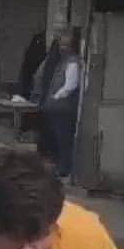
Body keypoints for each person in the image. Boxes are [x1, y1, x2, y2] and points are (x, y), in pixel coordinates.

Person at [35, 35, 82, 178]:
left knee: (64, 139)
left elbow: (70, 86)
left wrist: (56, 97)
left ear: (71, 47)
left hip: (64, 108)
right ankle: (62, 166)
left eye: (65, 46)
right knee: (58, 139)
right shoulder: (64, 61)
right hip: (57, 108)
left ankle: (65, 168)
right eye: (61, 46)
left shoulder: (73, 63)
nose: (62, 49)